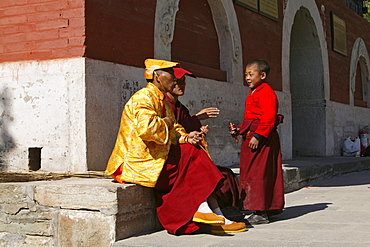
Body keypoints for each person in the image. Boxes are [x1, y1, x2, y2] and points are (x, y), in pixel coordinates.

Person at [105, 58, 246, 235]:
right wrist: (167, 121)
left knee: (193, 150)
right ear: (157, 76)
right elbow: (147, 130)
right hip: (139, 161)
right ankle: (205, 210)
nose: (175, 80)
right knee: (191, 158)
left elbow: (176, 129)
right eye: (171, 75)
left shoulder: (162, 100)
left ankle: (214, 213)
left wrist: (187, 137)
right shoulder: (144, 97)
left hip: (156, 155)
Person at [164, 77, 243, 215]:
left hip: (184, 150)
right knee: (207, 173)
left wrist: (198, 133)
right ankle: (210, 211)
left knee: (227, 175)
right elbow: (175, 131)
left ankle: (224, 210)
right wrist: (197, 119)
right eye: (176, 82)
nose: (181, 86)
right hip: (171, 156)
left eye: (183, 82)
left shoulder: (180, 107)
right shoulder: (163, 104)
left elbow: (184, 128)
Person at [230, 59, 284, 224]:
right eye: (246, 74)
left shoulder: (266, 91)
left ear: (262, 75)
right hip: (253, 136)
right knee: (252, 173)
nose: (247, 77)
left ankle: (261, 212)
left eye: (251, 74)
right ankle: (265, 206)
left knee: (259, 174)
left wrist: (258, 136)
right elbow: (253, 117)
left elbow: (268, 117)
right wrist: (239, 129)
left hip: (262, 139)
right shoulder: (255, 91)